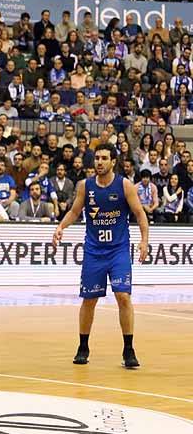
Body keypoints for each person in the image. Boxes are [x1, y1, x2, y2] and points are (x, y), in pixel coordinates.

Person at [52, 143, 150, 368]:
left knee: (123, 296)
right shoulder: (85, 186)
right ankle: (83, 346)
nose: (99, 162)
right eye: (97, 158)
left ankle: (128, 349)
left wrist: (144, 241)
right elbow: (75, 211)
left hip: (118, 251)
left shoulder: (124, 185)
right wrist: (61, 227)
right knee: (89, 299)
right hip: (94, 252)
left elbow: (139, 214)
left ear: (113, 161)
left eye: (104, 158)